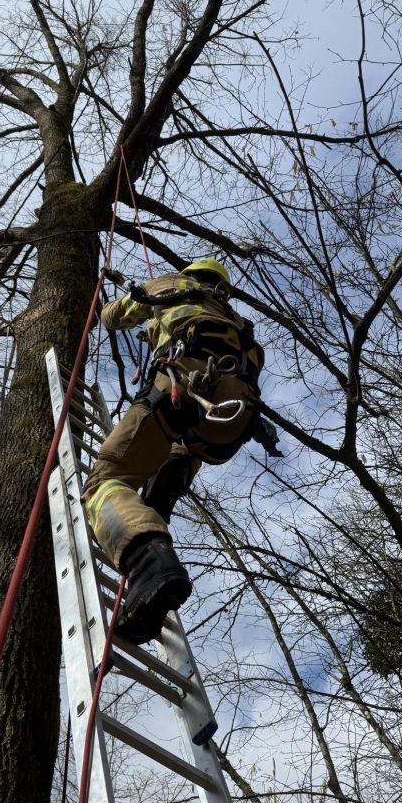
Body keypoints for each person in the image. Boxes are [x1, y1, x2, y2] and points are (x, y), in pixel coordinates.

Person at [82, 257, 280, 644]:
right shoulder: (237, 324)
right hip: (233, 417)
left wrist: (105, 297)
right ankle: (167, 482)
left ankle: (148, 562)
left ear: (192, 275)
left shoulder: (173, 286)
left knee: (105, 482)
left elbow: (114, 316)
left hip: (182, 384)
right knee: (182, 441)